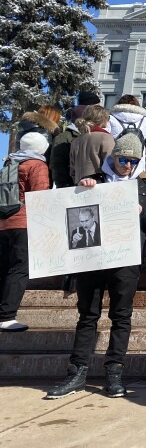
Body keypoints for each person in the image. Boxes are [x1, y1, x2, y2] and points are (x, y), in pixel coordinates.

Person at [46, 133, 146, 399]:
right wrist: (81, 189)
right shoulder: (94, 181)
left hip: (125, 258)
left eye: (134, 161)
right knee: (88, 315)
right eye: (124, 159)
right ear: (113, 156)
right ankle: (77, 373)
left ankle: (114, 373)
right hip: (92, 258)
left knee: (121, 316)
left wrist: (142, 213)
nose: (129, 166)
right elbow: (71, 213)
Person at [0, 132, 51, 332]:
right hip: (23, 222)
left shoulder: (10, 162)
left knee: (4, 268)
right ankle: (6, 316)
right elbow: (40, 197)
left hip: (3, 222)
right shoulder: (37, 165)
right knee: (20, 268)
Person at [70, 105, 116, 184]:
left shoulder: (76, 140)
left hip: (79, 185)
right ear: (103, 118)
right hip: (99, 185)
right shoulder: (105, 137)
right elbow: (112, 164)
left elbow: (72, 170)